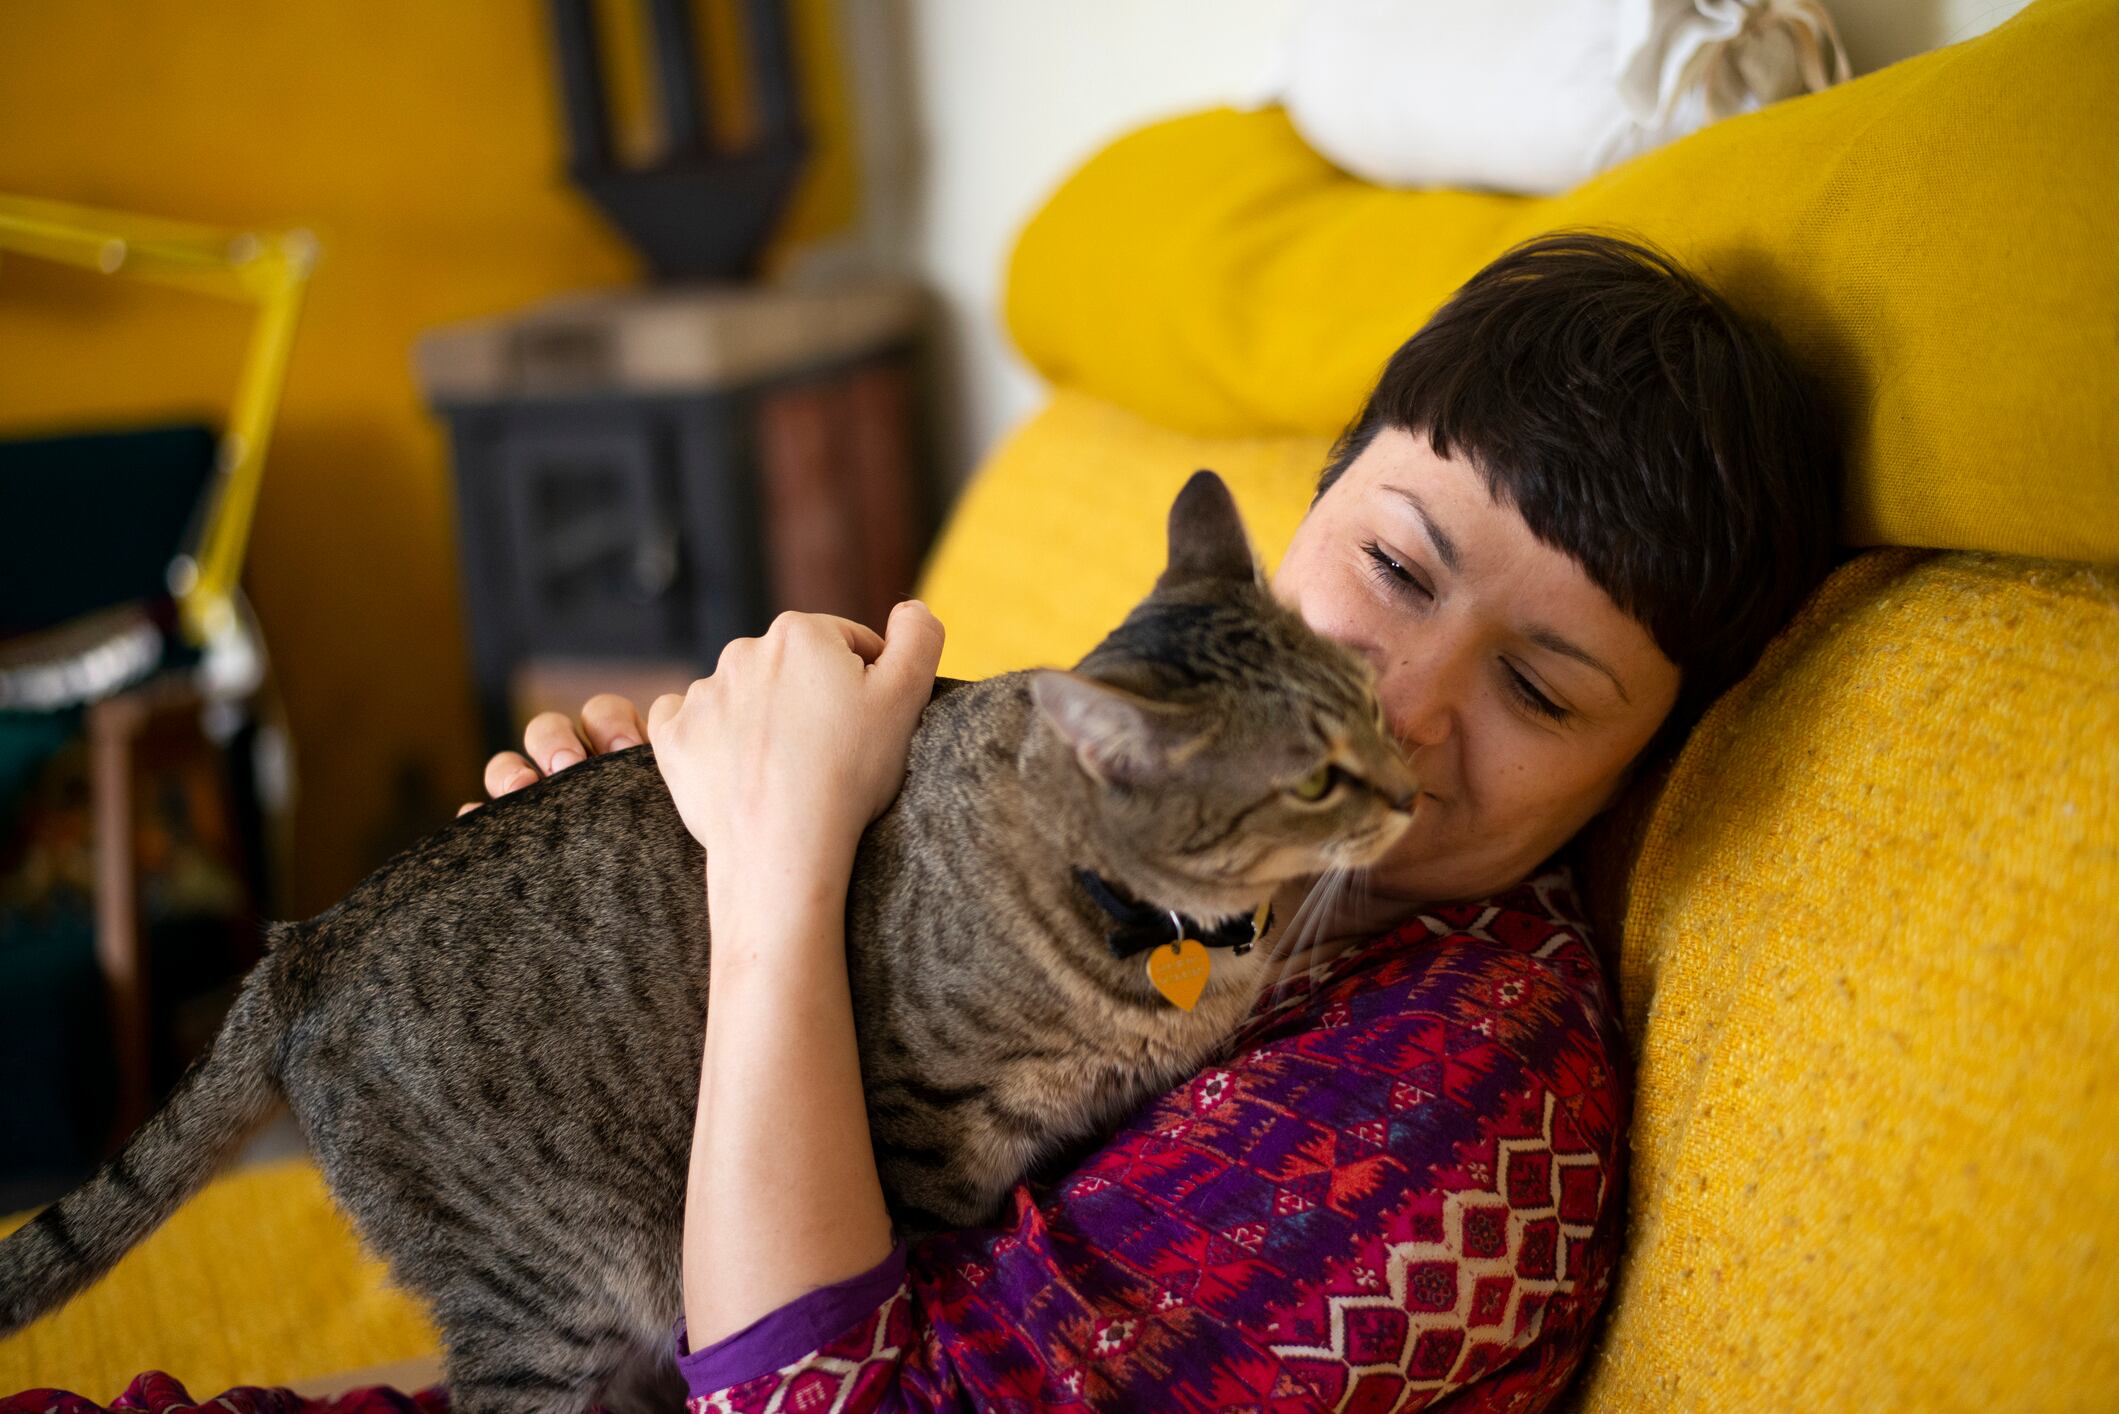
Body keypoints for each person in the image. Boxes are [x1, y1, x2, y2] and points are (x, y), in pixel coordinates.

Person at [471, 230, 1841, 1411]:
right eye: (1395, 567)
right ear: (1303, 513)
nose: (1401, 706)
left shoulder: (1464, 1101)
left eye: (1539, 688)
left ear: (1641, 770)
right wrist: (665, 889)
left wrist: (774, 872)